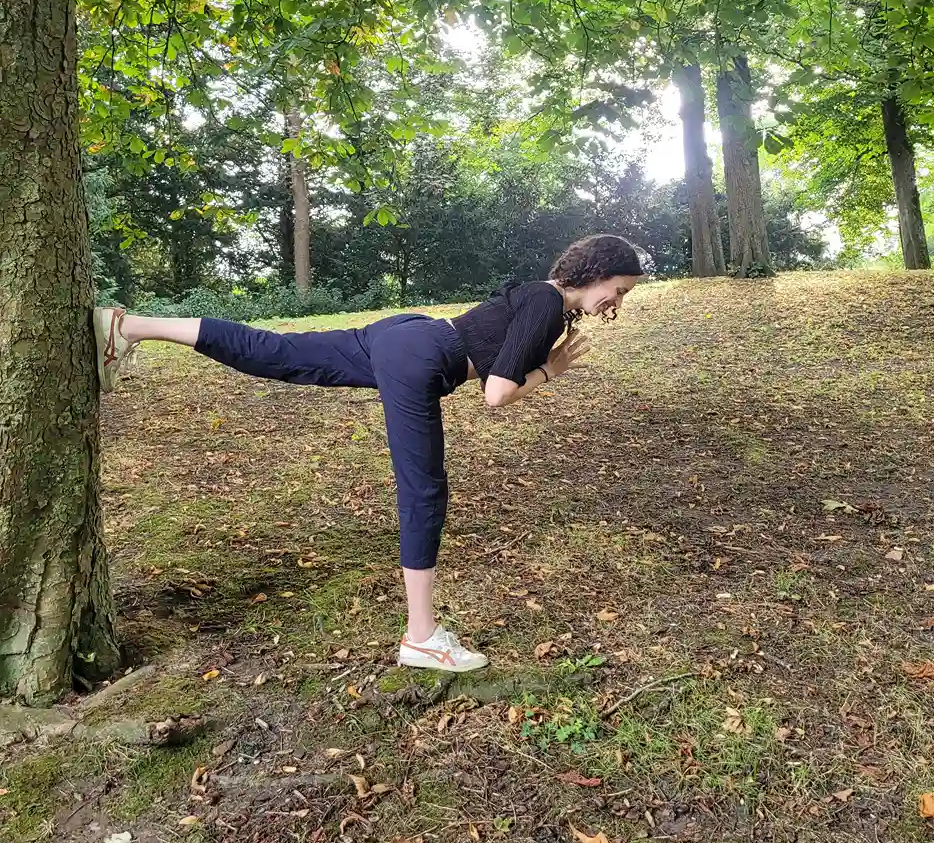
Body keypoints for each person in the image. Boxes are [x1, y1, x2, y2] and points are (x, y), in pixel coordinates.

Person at [94, 234, 645, 673]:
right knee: (424, 491)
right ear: (595, 273)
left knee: (281, 351)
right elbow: (498, 393)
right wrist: (552, 370)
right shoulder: (548, 303)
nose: (615, 302)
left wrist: (541, 362)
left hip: (405, 336)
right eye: (618, 289)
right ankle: (423, 638)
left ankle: (130, 326)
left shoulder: (539, 295)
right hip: (424, 358)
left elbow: (496, 356)